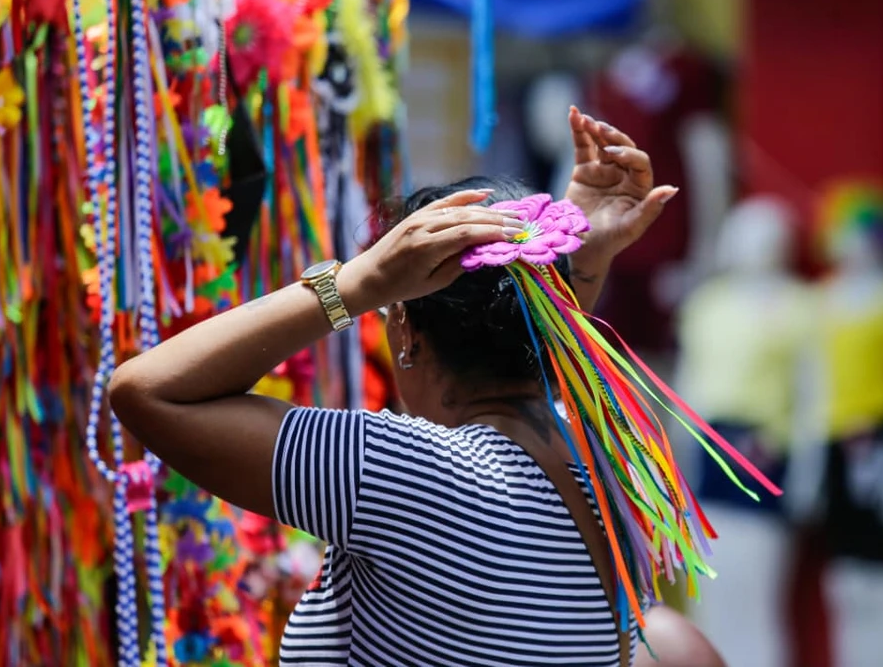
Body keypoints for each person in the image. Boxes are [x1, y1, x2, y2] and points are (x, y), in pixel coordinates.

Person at [109, 108, 679, 666]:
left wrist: (358, 283)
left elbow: (147, 391)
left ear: (405, 332)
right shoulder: (611, 476)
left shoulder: (414, 473)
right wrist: (577, 263)